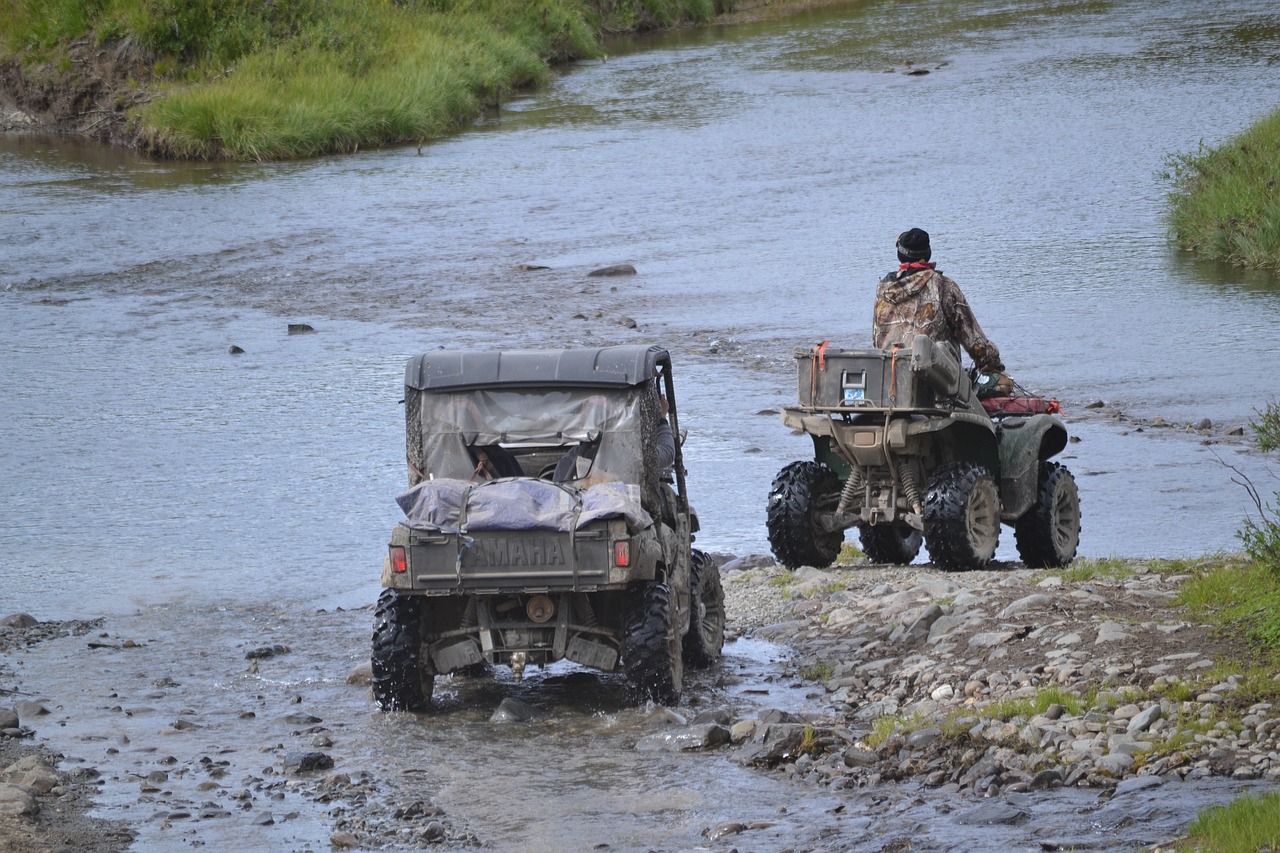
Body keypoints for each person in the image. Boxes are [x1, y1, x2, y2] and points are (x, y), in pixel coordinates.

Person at [873, 228, 1006, 378]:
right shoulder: (943, 286)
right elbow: (974, 341)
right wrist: (993, 365)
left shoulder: (883, 289)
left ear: (900, 256)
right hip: (937, 385)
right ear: (927, 255)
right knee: (1000, 383)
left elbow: (877, 340)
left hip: (892, 380)